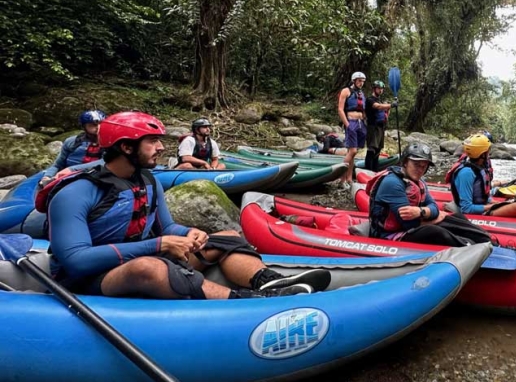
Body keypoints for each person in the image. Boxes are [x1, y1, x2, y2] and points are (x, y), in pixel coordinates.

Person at [45, 111, 330, 299]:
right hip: (89, 280)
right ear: (126, 147)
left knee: (228, 238)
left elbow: (166, 226)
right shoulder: (76, 192)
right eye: (152, 141)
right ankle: (243, 301)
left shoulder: (147, 181)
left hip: (139, 256)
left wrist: (189, 233)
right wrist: (158, 246)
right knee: (148, 268)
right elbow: (76, 261)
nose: (160, 148)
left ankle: (268, 282)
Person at [367, 142, 492, 246]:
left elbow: (433, 207)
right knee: (435, 232)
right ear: (405, 162)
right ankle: (471, 248)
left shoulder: (418, 181)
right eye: (416, 164)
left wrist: (421, 212)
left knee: (458, 217)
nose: (420, 169)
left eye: (423, 166)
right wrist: (434, 216)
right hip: (390, 235)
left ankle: (488, 241)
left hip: (414, 224)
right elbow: (409, 224)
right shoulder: (392, 183)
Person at [41, 110, 107, 186]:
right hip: (67, 177)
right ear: (84, 127)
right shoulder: (72, 142)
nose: (98, 128)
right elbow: (57, 165)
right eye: (92, 125)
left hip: (95, 177)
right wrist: (47, 176)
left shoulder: (111, 143)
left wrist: (71, 169)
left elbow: (105, 162)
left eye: (101, 124)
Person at [336, 71, 367, 188]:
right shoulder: (346, 91)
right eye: (359, 81)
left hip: (360, 124)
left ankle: (349, 179)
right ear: (354, 80)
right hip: (351, 122)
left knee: (353, 153)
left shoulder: (361, 93)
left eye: (363, 81)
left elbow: (363, 110)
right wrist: (347, 124)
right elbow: (340, 109)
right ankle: (342, 180)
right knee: (352, 151)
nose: (361, 83)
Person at [364, 80, 395, 172]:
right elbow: (378, 107)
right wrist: (391, 105)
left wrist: (389, 108)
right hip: (373, 127)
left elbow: (385, 114)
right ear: (374, 89)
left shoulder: (381, 101)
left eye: (381, 89)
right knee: (372, 149)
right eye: (378, 88)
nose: (380, 90)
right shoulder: (370, 100)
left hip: (381, 127)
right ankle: (368, 171)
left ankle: (375, 170)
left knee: (378, 150)